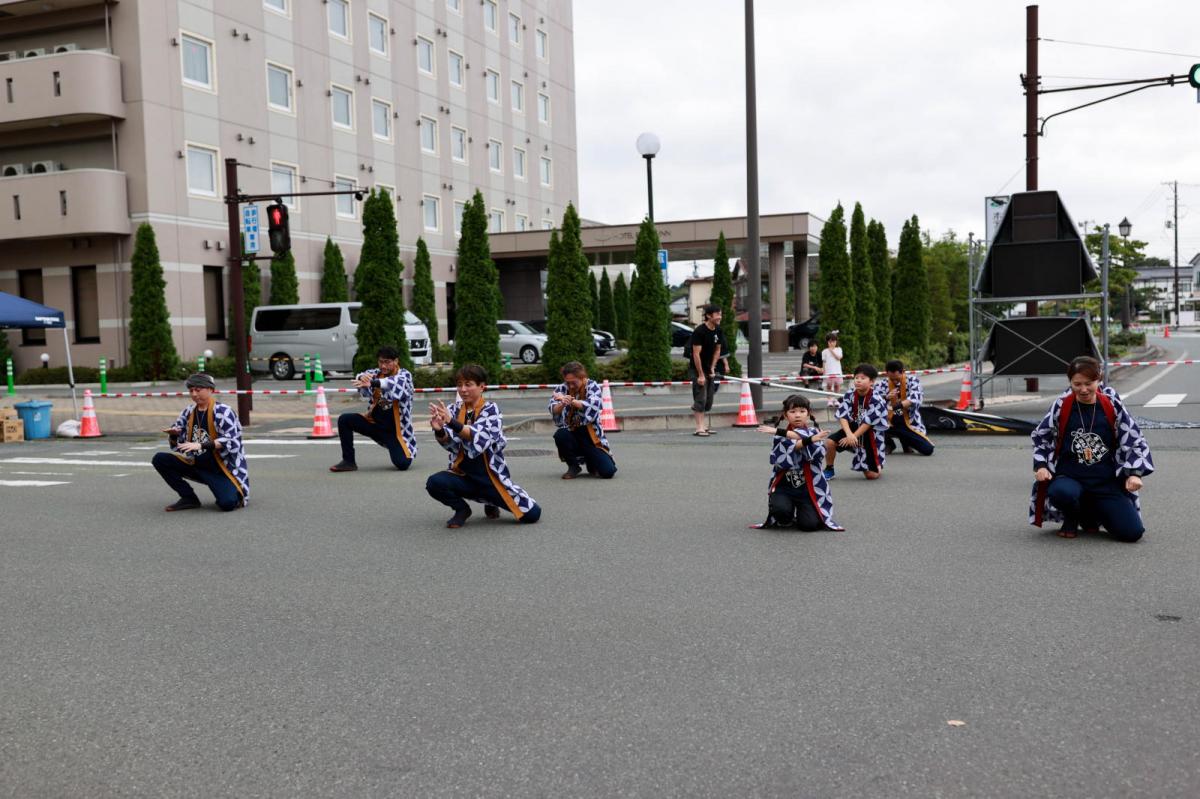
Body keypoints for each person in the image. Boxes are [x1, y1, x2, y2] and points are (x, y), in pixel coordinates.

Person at [1030, 356, 1154, 541]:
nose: (1083, 389)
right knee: (1061, 492)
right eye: (1077, 384)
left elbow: (1134, 439)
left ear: (1099, 379)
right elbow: (1041, 435)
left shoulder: (1111, 404)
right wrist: (1041, 466)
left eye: (1089, 383)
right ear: (1070, 382)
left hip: (1104, 481)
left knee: (1132, 533)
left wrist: (1135, 473)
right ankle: (1072, 516)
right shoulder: (1062, 404)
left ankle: (1092, 513)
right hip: (1070, 477)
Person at [425, 364, 542, 528]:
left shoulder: (491, 409)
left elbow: (480, 437)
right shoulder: (453, 409)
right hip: (464, 474)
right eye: (459, 385)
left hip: (491, 477)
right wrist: (439, 431)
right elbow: (451, 444)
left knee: (533, 514)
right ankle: (462, 510)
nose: (463, 389)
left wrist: (451, 422)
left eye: (468, 384)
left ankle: (492, 501)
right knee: (434, 483)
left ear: (482, 386)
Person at [152, 373, 248, 511]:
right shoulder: (188, 412)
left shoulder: (224, 411)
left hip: (220, 469)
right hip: (196, 464)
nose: (194, 394)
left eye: (198, 390)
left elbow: (232, 441)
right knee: (160, 459)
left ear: (210, 389)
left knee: (228, 504)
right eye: (191, 391)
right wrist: (174, 435)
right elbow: (180, 446)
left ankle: (231, 490)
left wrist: (201, 445)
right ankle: (188, 498)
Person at [751, 394, 843, 531]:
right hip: (784, 487)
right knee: (781, 514)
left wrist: (778, 431)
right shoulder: (781, 437)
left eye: (802, 411)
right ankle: (786, 513)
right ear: (786, 415)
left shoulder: (814, 432)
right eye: (792, 412)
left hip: (808, 489)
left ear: (808, 414)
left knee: (809, 526)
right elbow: (786, 453)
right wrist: (808, 440)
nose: (797, 415)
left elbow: (817, 454)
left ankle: (803, 511)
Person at [329, 346, 417, 472]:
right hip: (374, 425)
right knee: (344, 420)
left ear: (396, 361)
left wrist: (374, 383)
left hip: (396, 433)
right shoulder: (376, 373)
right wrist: (361, 378)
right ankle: (348, 461)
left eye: (387, 362)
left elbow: (394, 383)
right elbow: (363, 376)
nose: (383, 366)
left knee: (402, 464)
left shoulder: (404, 375)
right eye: (381, 362)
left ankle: (396, 448)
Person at [549, 361, 617, 479]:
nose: (570, 386)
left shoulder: (592, 386)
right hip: (571, 432)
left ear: (582, 377)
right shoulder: (561, 388)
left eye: (573, 382)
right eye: (568, 382)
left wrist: (571, 401)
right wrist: (562, 404)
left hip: (590, 435)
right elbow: (553, 409)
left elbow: (593, 406)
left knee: (608, 472)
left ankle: (592, 464)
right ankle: (573, 466)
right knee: (560, 435)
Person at [823, 363, 887, 480]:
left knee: (871, 475)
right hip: (853, 427)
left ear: (871, 382)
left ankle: (875, 462)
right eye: (856, 378)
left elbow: (868, 423)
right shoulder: (849, 394)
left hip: (871, 433)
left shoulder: (877, 399)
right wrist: (849, 435)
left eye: (863, 378)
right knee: (829, 442)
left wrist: (853, 437)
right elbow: (843, 415)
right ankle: (829, 469)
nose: (858, 381)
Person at [880, 359, 934, 456]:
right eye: (892, 379)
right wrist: (886, 397)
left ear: (903, 372)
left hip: (909, 423)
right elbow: (873, 400)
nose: (895, 381)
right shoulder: (883, 383)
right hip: (889, 423)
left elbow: (915, 398)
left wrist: (897, 406)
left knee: (928, 449)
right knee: (867, 422)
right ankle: (889, 444)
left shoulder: (913, 381)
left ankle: (905, 441)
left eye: (897, 378)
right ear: (887, 374)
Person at [689, 303, 727, 437]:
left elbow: (718, 350)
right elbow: (695, 354)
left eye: (720, 314)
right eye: (717, 315)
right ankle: (699, 427)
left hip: (709, 369)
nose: (719, 317)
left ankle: (704, 426)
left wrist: (712, 367)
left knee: (709, 399)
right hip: (698, 369)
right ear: (708, 316)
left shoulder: (718, 330)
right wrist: (700, 374)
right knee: (701, 397)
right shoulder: (699, 331)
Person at [820, 331, 844, 407]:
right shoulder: (824, 351)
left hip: (837, 371)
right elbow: (824, 362)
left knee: (837, 386)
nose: (831, 343)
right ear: (827, 342)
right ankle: (829, 400)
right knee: (829, 386)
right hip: (828, 372)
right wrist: (824, 371)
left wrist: (831, 351)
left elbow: (839, 357)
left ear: (836, 342)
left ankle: (835, 399)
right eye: (830, 341)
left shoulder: (839, 349)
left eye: (833, 341)